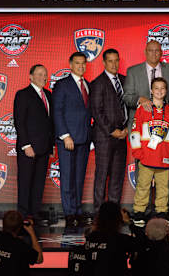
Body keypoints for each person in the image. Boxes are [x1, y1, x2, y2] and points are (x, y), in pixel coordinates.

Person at [130, 77, 169, 224]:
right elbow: (135, 132)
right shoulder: (142, 109)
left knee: (163, 188)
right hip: (146, 157)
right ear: (151, 91)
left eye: (162, 88)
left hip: (164, 158)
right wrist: (138, 153)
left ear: (166, 91)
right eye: (156, 88)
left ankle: (161, 212)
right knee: (143, 186)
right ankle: (139, 211)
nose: (159, 91)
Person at [53, 52, 92, 227]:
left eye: (83, 63)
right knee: (68, 177)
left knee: (78, 178)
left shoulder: (88, 85)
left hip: (84, 138)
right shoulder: (62, 85)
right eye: (77, 63)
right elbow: (57, 111)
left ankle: (77, 210)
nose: (81, 66)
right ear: (70, 64)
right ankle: (69, 212)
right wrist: (65, 135)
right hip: (67, 139)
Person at [13, 64, 54, 226]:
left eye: (45, 74)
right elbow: (19, 122)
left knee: (38, 183)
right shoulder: (23, 95)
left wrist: (51, 147)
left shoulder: (49, 95)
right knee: (25, 181)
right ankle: (22, 214)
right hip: (28, 148)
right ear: (30, 76)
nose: (42, 77)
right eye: (38, 74)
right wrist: (26, 145)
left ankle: (34, 213)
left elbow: (50, 123)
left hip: (44, 147)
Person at [90, 48, 128, 213]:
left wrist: (126, 128)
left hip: (123, 135)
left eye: (116, 60)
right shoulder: (98, 83)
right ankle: (99, 211)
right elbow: (97, 112)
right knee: (102, 174)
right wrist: (112, 131)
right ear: (104, 62)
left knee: (117, 175)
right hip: (105, 136)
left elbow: (129, 107)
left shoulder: (125, 81)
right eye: (110, 61)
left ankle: (113, 211)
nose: (114, 64)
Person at [123, 40, 169, 130]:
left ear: (161, 53)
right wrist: (140, 99)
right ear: (145, 52)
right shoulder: (133, 71)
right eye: (150, 50)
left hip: (166, 122)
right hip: (139, 123)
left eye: (157, 50)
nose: (154, 54)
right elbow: (126, 97)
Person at [78, 202, 135, 276]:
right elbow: (143, 243)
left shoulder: (90, 237)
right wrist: (129, 222)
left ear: (99, 217)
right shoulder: (121, 240)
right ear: (118, 219)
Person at [0, 210, 43, 275]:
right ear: (19, 227)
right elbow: (39, 259)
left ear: (3, 223)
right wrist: (32, 233)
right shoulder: (20, 246)